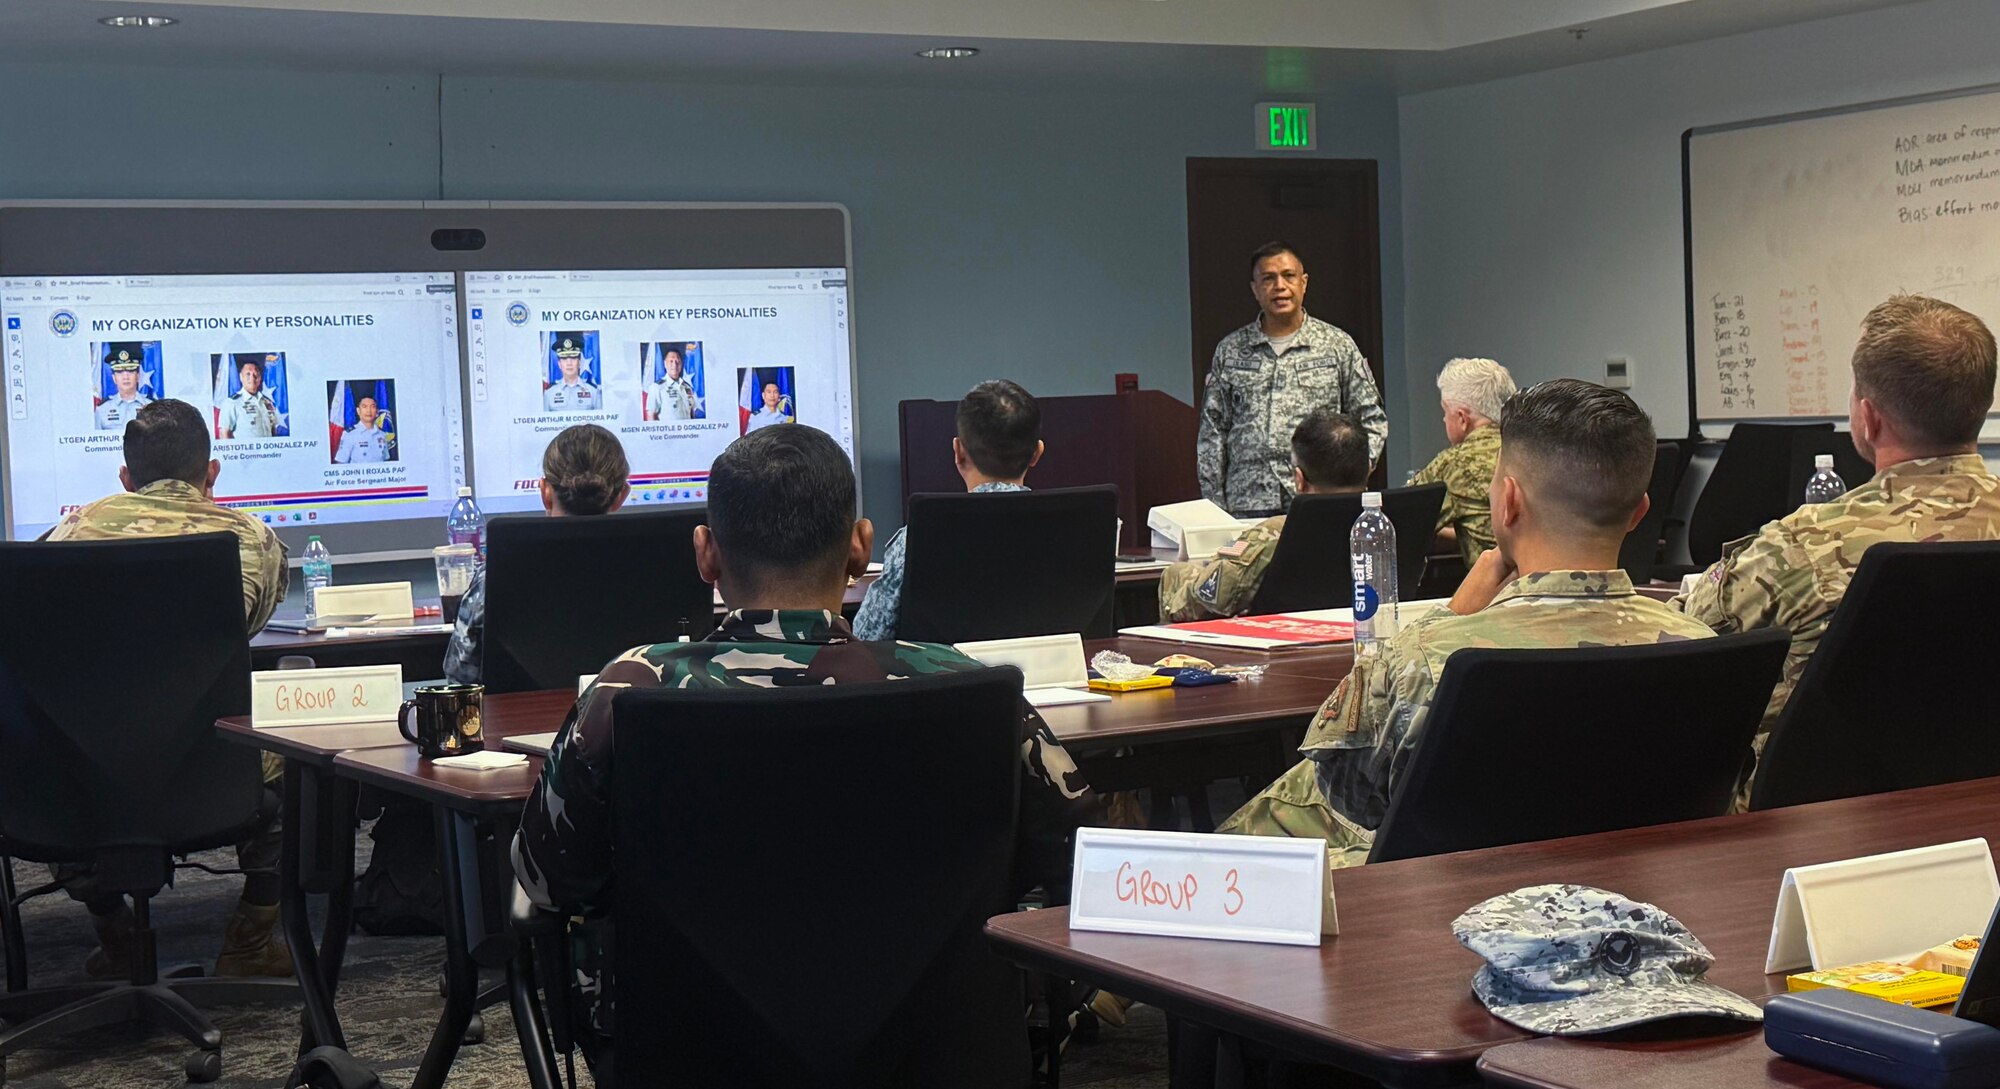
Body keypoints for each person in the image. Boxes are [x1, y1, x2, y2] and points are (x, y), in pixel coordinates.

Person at [511, 423, 1091, 1080]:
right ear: (859, 547)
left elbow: (546, 879)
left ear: (706, 554)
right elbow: (1077, 857)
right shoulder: (964, 683)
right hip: (942, 1049)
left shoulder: (632, 688)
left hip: (690, 1051)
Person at [1218, 380, 1714, 865]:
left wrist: (1453, 614)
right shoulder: (1702, 644)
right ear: (1639, 514)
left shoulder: (1432, 657)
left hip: (1450, 907)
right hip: (1642, 894)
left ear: (1509, 501)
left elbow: (1347, 790)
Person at [1674, 294, 2000, 805]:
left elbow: (1683, 634)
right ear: (1979, 409)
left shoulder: (1805, 547)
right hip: (1979, 811)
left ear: (1868, 418)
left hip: (1814, 831)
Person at [43, 399, 292, 978]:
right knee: (305, 756)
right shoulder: (251, 537)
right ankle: (251, 941)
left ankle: (116, 933)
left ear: (125, 479)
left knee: (42, 753)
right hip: (213, 773)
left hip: (82, 774)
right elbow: (240, 633)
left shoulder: (67, 532)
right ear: (212, 473)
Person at [1197, 242, 1388, 517]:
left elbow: (1372, 418)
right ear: (1254, 288)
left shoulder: (1337, 345)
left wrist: (1350, 477)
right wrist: (1214, 507)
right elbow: (1212, 432)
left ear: (1304, 282)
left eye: (1288, 276)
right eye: (1268, 278)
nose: (1279, 286)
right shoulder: (1231, 350)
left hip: (1319, 497)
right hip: (1246, 502)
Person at [853, 379, 1042, 641]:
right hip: (1056, 680)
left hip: (947, 681)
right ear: (1037, 453)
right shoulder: (1078, 532)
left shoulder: (917, 539)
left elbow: (867, 639)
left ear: (958, 452)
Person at [444, 424, 630, 684]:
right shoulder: (661, 565)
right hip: (629, 722)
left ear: (545, 492)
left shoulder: (495, 576)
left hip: (520, 724)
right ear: (622, 495)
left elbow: (461, 677)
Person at [1158, 409, 1372, 622]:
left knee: (1176, 574)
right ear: (1368, 469)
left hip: (1282, 647)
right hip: (1367, 642)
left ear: (1299, 479)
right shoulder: (1389, 527)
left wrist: (1179, 573)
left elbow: (1202, 602)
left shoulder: (1274, 535)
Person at [1410, 357, 1515, 568]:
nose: (1443, 420)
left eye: (1444, 412)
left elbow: (1400, 527)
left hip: (1497, 594)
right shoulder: (1533, 448)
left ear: (1462, 418)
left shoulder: (1456, 463)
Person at [219, 354, 282, 439]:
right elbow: (224, 434)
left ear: (260, 378)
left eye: (256, 374)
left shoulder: (267, 402)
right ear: (241, 377)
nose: (252, 378)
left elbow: (273, 430)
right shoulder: (231, 402)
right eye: (248, 374)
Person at [94, 347, 153, 431]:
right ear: (114, 378)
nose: (125, 377)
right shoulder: (102, 409)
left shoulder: (152, 406)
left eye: (131, 371)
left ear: (138, 376)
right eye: (120, 372)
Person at [543, 335, 602, 412]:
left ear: (580, 362)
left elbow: (600, 422)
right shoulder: (549, 393)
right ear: (559, 364)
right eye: (564, 358)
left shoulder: (593, 391)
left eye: (573, 358)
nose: (569, 363)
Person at [332, 394, 395, 464]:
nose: (369, 410)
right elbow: (341, 463)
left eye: (372, 407)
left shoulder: (382, 435)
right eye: (364, 407)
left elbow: (385, 460)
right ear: (358, 411)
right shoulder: (350, 434)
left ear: (377, 412)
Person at [646, 347, 700, 421]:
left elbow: (691, 414)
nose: (675, 364)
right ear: (665, 364)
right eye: (671, 361)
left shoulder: (687, 387)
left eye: (678, 361)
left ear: (681, 364)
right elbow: (650, 416)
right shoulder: (656, 387)